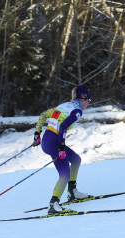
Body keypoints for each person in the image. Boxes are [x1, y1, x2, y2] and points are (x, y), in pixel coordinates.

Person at [33, 85, 91, 214]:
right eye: (89, 101)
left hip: (48, 139)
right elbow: (63, 126)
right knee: (64, 175)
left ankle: (72, 192)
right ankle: (53, 204)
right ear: (83, 99)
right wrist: (61, 148)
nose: (89, 103)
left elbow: (43, 115)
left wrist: (37, 133)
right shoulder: (77, 111)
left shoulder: (64, 106)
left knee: (76, 159)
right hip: (53, 143)